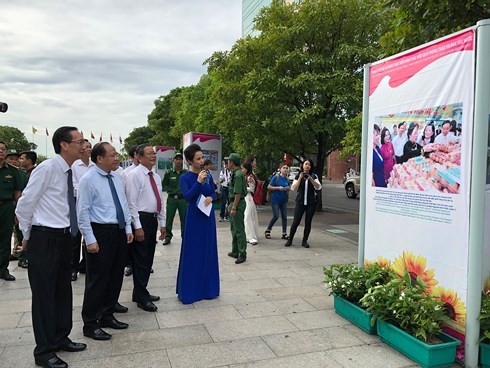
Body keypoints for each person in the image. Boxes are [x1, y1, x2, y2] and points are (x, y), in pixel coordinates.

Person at [15, 126, 87, 368]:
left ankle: (60, 337)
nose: (83, 144)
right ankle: (44, 351)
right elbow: (25, 204)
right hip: (45, 238)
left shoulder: (71, 170)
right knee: (45, 295)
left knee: (62, 290)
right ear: (64, 145)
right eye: (79, 141)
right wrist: (27, 235)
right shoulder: (47, 168)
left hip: (65, 238)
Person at [77, 142, 134, 341]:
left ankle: (107, 315)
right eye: (112, 155)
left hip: (118, 231)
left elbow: (123, 204)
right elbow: (82, 212)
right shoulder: (88, 179)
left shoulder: (117, 178)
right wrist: (90, 239)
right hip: (99, 232)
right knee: (97, 280)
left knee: (115, 275)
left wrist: (127, 228)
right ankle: (90, 323)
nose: (117, 158)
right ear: (100, 158)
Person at [176, 144, 219, 304]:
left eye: (202, 157)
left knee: (207, 250)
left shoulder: (207, 174)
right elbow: (187, 196)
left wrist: (212, 197)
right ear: (189, 161)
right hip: (194, 216)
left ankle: (208, 289)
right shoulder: (185, 177)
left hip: (207, 217)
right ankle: (190, 291)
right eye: (198, 158)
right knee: (193, 251)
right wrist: (198, 182)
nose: (202, 161)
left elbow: (213, 192)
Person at [125, 144, 166, 312]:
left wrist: (163, 224)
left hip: (152, 220)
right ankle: (142, 298)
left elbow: (159, 201)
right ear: (139, 157)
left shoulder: (155, 176)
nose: (153, 156)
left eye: (154, 153)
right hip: (141, 220)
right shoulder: (134, 175)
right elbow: (131, 203)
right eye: (149, 153)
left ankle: (140, 291)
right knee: (140, 260)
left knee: (148, 259)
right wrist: (138, 227)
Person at [70, 139, 94, 281]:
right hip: (76, 202)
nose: (88, 149)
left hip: (92, 204)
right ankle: (73, 268)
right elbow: (73, 185)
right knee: (75, 236)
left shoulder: (94, 166)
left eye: (90, 146)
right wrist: (84, 193)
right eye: (85, 147)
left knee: (89, 234)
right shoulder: (74, 166)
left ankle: (85, 264)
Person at [284, 159, 322, 248]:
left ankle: (304, 241)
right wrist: (301, 178)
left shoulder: (314, 176)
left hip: (311, 203)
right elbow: (293, 188)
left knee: (308, 222)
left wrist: (311, 179)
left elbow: (318, 187)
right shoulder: (298, 175)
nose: (307, 166)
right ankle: (290, 239)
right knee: (296, 221)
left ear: (311, 167)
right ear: (303, 165)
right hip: (300, 202)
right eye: (306, 164)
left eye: (309, 164)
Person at [0, 144, 22, 281]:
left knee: (5, 240)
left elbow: (17, 194)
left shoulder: (13, 172)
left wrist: (18, 213)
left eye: (3, 149)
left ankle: (2, 269)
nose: (0, 151)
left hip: (6, 207)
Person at [226, 153, 248, 264]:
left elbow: (238, 193)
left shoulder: (238, 174)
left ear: (232, 162)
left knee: (239, 230)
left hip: (237, 204)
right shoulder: (235, 173)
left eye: (228, 161)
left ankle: (242, 253)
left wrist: (234, 207)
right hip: (233, 203)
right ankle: (235, 251)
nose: (227, 163)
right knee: (234, 229)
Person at [162, 153, 187, 245]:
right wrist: (170, 190)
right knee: (169, 218)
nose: (178, 161)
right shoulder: (169, 173)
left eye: (180, 159)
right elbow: (164, 184)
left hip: (182, 199)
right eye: (176, 159)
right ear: (173, 161)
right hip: (172, 199)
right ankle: (168, 237)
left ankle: (184, 236)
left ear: (182, 161)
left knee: (184, 218)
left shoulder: (186, 173)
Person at [265, 164, 290, 240]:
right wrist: (278, 188)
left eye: (286, 168)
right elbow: (269, 186)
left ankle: (284, 233)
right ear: (280, 169)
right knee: (276, 216)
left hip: (284, 200)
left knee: (284, 216)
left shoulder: (287, 179)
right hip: (275, 199)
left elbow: (288, 188)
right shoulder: (276, 177)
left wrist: (287, 189)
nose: (285, 169)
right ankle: (268, 229)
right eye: (284, 168)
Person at [242, 162, 259, 245]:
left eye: (243, 169)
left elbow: (252, 189)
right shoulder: (244, 177)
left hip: (248, 198)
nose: (242, 170)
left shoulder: (250, 178)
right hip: (245, 198)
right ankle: (248, 236)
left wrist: (242, 187)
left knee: (248, 217)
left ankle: (251, 236)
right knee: (247, 217)